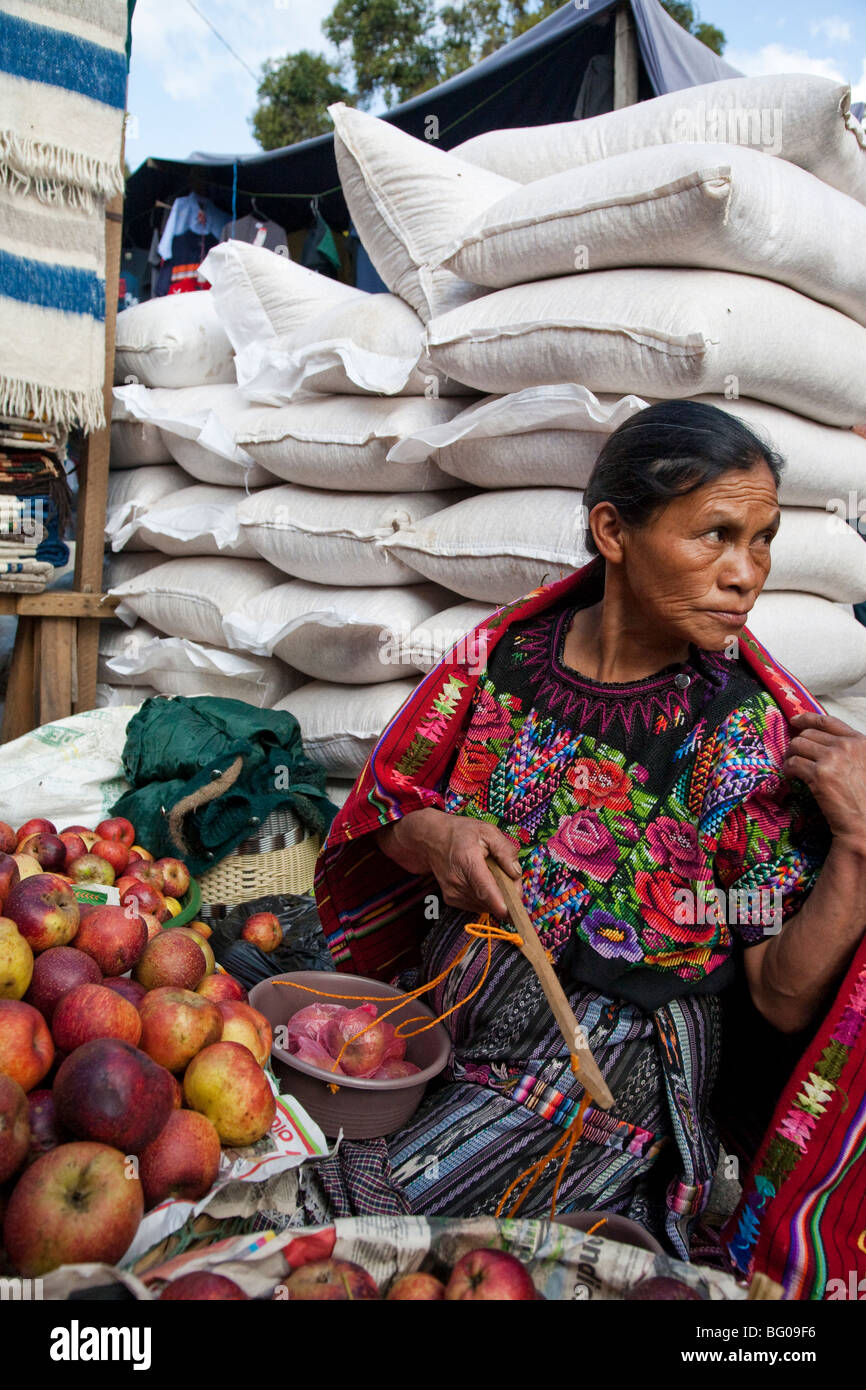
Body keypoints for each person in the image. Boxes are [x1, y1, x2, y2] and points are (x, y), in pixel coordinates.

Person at [314, 400, 866, 1257]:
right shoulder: (503, 661)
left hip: (598, 1073)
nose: (747, 573)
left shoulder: (738, 739)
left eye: (762, 540)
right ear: (613, 531)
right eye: (715, 534)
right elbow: (393, 817)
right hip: (447, 1008)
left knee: (333, 1217)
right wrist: (441, 839)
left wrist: (862, 847)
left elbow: (778, 989)